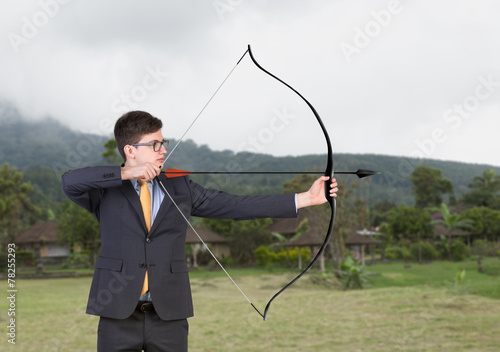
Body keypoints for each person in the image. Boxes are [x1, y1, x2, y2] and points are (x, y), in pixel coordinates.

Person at [61, 110, 338, 352]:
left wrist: (305, 198)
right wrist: (125, 174)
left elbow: (234, 205)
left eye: (163, 143)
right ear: (130, 150)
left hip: (168, 315)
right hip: (117, 313)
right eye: (154, 144)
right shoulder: (104, 191)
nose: (163, 150)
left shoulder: (179, 187)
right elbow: (69, 181)